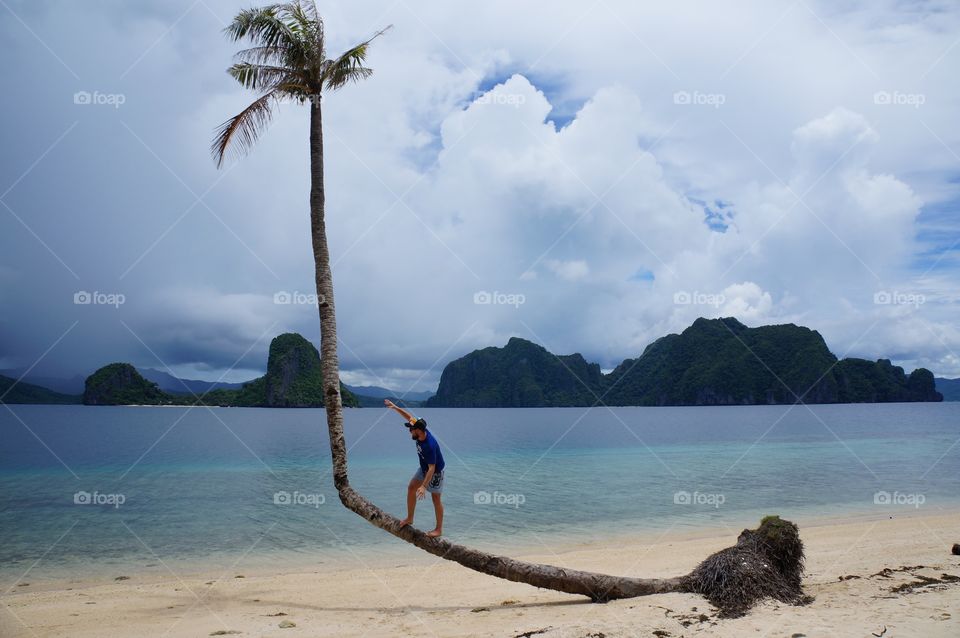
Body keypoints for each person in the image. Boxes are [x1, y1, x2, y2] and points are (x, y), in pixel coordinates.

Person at [384, 399, 445, 537]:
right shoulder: (421, 431)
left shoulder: (429, 445)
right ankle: (410, 518)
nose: (409, 431)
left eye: (411, 429)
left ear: (418, 430)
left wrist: (424, 486)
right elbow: (408, 416)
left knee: (436, 499)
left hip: (435, 472)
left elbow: (432, 468)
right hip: (424, 468)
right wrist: (394, 407)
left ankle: (438, 529)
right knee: (411, 487)